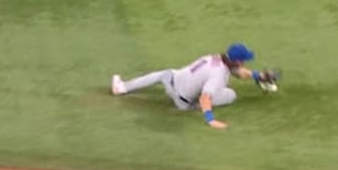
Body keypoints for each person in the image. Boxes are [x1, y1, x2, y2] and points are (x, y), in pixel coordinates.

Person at [111, 42, 275, 130]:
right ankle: (192, 106)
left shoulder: (217, 58)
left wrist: (258, 76)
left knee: (161, 74)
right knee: (229, 94)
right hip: (183, 101)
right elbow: (206, 96)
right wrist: (211, 120)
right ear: (237, 60)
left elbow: (238, 71)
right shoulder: (217, 75)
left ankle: (122, 87)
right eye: (244, 59)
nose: (246, 61)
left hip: (172, 80)